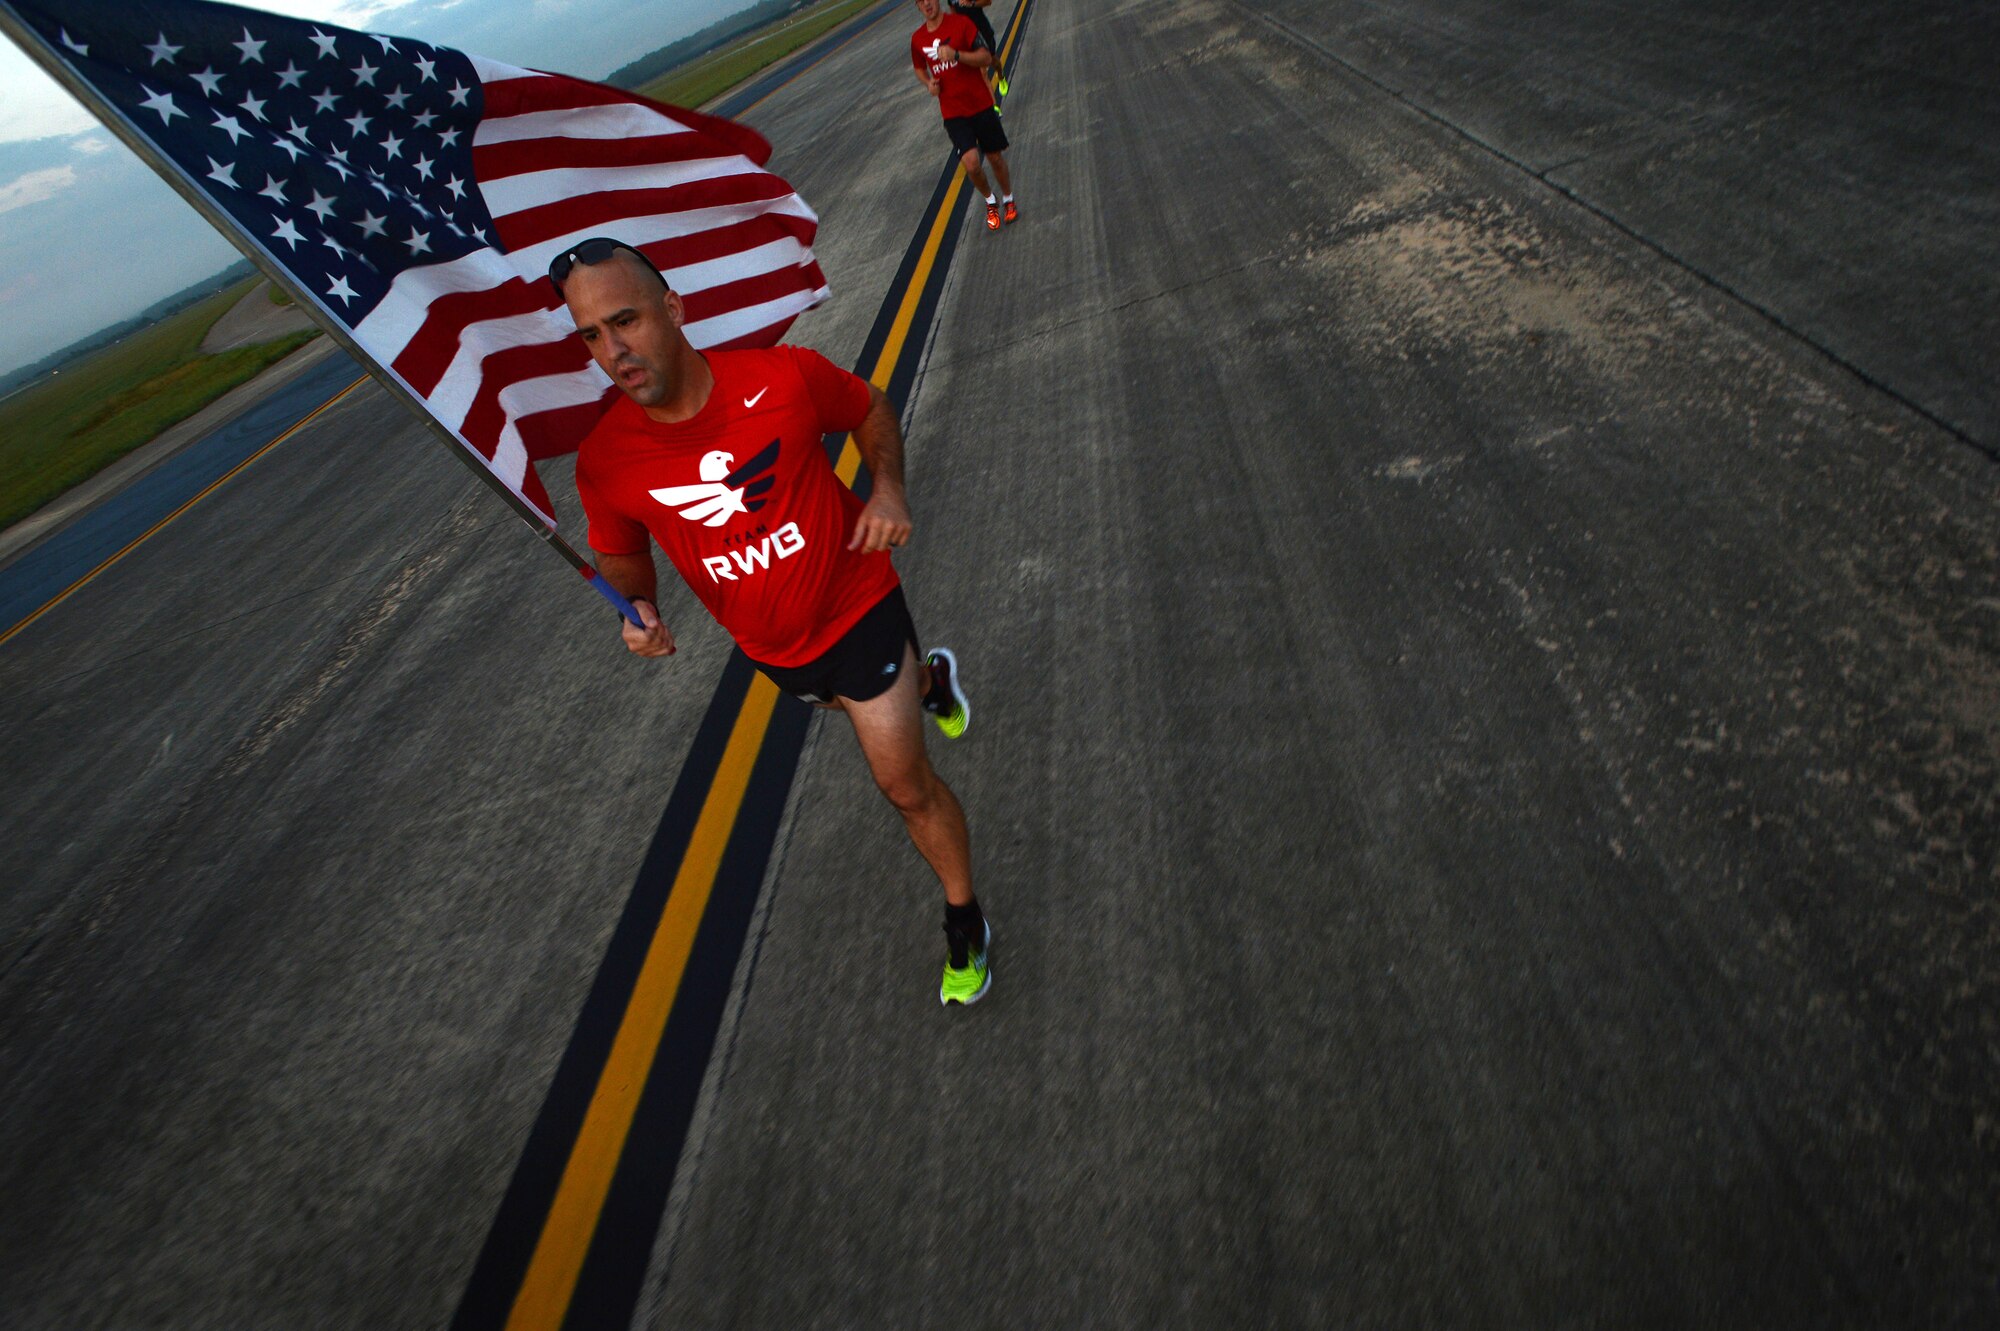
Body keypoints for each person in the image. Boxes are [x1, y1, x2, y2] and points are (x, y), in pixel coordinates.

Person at [552, 237, 991, 1006]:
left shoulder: (781, 378)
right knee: (843, 705)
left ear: (673, 309)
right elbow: (622, 555)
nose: (614, 349)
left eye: (625, 319)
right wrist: (638, 607)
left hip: (857, 605)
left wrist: (887, 488)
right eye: (592, 334)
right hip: (773, 649)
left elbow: (868, 408)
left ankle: (965, 916)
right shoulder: (605, 460)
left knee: (903, 784)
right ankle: (931, 681)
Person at [912, 0, 1017, 233]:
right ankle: (991, 201)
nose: (927, 4)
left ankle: (1008, 197)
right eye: (921, 1)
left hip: (980, 104)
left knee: (995, 159)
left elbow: (985, 58)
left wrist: (957, 55)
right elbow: (919, 67)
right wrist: (929, 83)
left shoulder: (962, 23)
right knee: (971, 165)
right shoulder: (917, 39)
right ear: (918, 7)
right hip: (953, 113)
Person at [951, 0, 1008, 99]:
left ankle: (1001, 77)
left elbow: (988, 2)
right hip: (968, 36)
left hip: (983, 30)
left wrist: (972, 4)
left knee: (994, 61)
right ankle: (995, 108)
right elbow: (954, 13)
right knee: (982, 73)